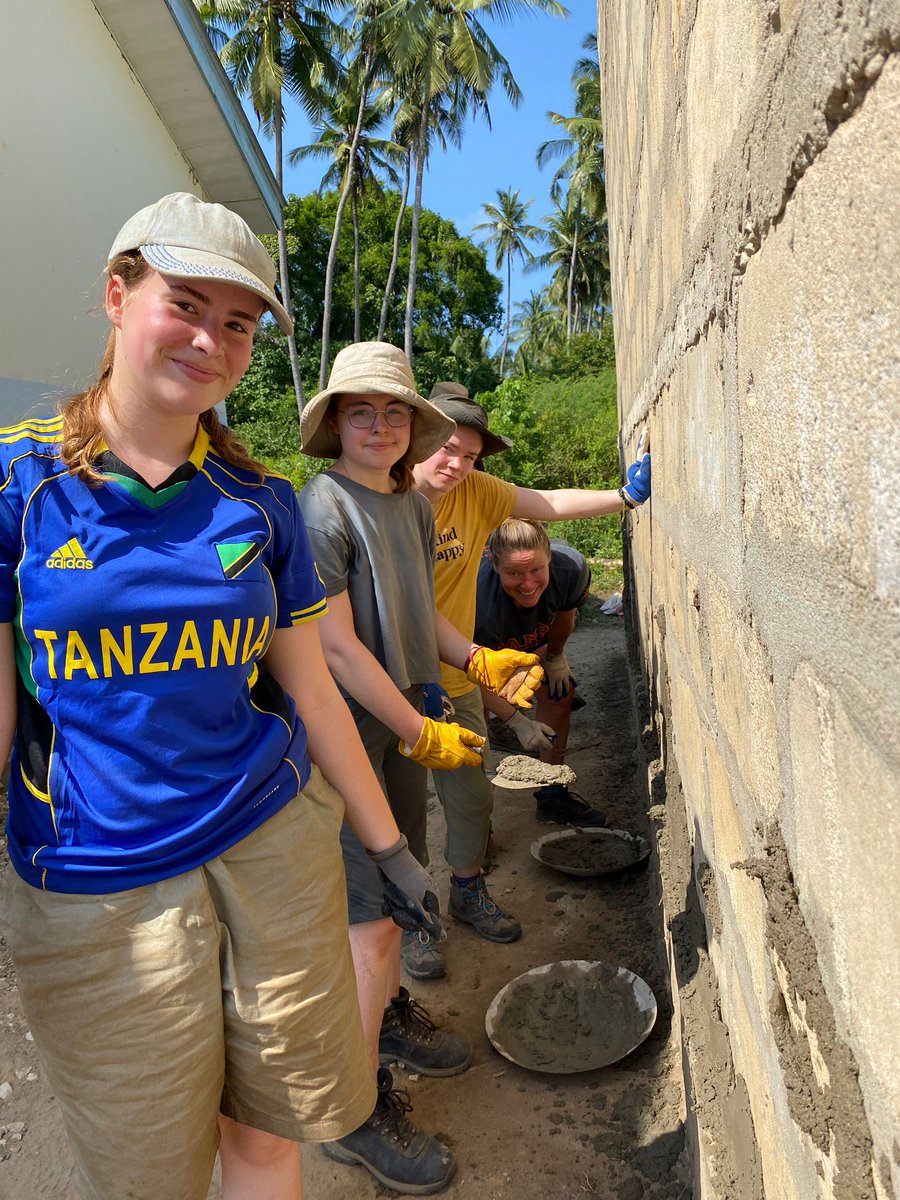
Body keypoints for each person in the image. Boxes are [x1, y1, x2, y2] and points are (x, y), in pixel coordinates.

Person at [0, 192, 443, 1200]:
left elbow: (312, 691)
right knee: (150, 1170)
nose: (211, 340)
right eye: (185, 304)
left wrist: (388, 850)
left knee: (268, 1131)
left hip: (273, 849)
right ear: (119, 296)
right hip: (100, 879)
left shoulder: (260, 501)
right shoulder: (21, 485)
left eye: (237, 324)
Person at [297, 343, 542, 1194]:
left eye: (393, 412)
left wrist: (480, 658)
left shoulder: (406, 503)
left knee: (396, 904)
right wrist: (417, 728)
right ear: (333, 423)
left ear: (413, 428)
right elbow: (334, 645)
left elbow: (418, 620)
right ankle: (352, 1116)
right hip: (347, 738)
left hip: (400, 724)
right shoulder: (321, 512)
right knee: (368, 920)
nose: (378, 425)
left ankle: (389, 1020)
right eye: (359, 411)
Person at [410, 381, 651, 974]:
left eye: (469, 455)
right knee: (398, 809)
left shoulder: (477, 493)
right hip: (387, 677)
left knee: (469, 798)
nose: (457, 464)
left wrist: (624, 495)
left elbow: (545, 502)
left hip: (458, 671)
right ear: (415, 443)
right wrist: (514, 717)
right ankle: (411, 917)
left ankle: (467, 890)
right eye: (445, 448)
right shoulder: (383, 499)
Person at [476, 518, 592, 769]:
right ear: (494, 565)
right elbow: (466, 676)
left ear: (549, 557)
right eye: (514, 573)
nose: (528, 584)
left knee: (560, 691)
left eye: (537, 570)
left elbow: (563, 618)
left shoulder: (571, 570)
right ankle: (482, 778)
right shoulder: (479, 602)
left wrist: (554, 656)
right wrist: (516, 721)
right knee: (474, 711)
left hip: (532, 642)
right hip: (480, 656)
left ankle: (553, 786)